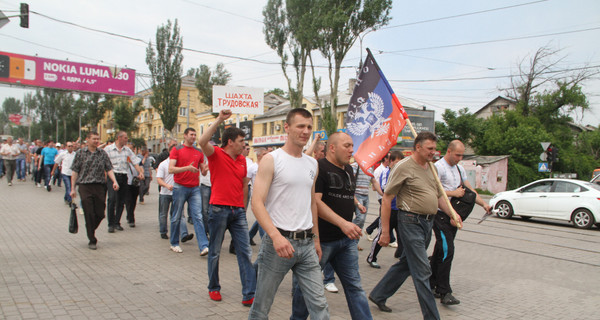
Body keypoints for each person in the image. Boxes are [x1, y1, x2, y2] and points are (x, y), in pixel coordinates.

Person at [368, 131, 462, 319]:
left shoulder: (432, 167)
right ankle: (432, 317)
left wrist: (452, 212)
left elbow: (438, 195)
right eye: (430, 149)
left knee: (407, 264)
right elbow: (387, 198)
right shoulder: (403, 167)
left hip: (428, 223)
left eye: (435, 149)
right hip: (410, 222)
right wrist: (385, 231)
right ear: (417, 147)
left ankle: (379, 294)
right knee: (422, 271)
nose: (433, 153)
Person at [248, 108, 327, 319]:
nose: (305, 131)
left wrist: (316, 239)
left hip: (307, 244)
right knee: (262, 307)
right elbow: (256, 203)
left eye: (309, 127)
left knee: (320, 307)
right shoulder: (272, 159)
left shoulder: (312, 163)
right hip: (278, 245)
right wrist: (275, 237)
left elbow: (312, 203)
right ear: (287, 127)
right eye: (300, 126)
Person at [291, 132, 372, 320]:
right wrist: (343, 223)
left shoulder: (349, 170)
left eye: (352, 146)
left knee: (355, 287)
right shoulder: (319, 168)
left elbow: (345, 194)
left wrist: (356, 204)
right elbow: (315, 202)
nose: (352, 150)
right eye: (347, 146)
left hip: (346, 241)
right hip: (321, 242)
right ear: (332, 148)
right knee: (305, 288)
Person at [198, 109, 256, 306]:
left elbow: (243, 185)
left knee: (245, 252)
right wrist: (220, 120)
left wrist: (244, 206)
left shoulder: (242, 160)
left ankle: (249, 293)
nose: (244, 145)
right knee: (214, 251)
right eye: (241, 141)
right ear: (230, 141)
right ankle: (213, 288)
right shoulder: (216, 154)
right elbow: (202, 141)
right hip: (218, 210)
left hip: (238, 211)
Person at [429, 140, 491, 305]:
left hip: (454, 217)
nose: (460, 158)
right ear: (449, 151)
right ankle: (444, 291)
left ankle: (431, 282)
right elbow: (432, 192)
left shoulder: (459, 168)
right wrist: (454, 193)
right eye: (458, 154)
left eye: (462, 155)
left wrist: (484, 204)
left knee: (441, 250)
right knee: (447, 250)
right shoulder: (438, 167)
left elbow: (470, 190)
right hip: (441, 215)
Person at [70, 132, 119, 250]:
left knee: (100, 213)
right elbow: (75, 171)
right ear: (87, 140)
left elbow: (109, 168)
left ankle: (90, 227)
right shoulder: (80, 153)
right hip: (85, 186)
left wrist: (114, 181)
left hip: (99, 186)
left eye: (98, 139)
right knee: (88, 212)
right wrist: (72, 188)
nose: (96, 141)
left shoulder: (102, 153)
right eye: (94, 139)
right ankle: (92, 239)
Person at [168, 128, 209, 255]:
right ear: (185, 136)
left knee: (198, 216)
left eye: (195, 135)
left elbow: (203, 171)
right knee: (176, 216)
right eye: (191, 134)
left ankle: (204, 246)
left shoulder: (198, 151)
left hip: (194, 188)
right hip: (180, 186)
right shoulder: (177, 149)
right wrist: (187, 168)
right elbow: (171, 169)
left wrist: (206, 169)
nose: (194, 137)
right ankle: (174, 243)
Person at [366, 151, 403, 269]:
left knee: (403, 236)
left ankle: (401, 255)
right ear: (390, 162)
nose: (398, 164)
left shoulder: (403, 173)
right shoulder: (386, 172)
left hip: (400, 210)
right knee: (382, 236)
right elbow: (384, 188)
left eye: (401, 162)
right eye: (396, 162)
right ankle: (371, 257)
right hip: (388, 209)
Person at [104, 131, 144, 232]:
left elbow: (135, 162)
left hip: (123, 176)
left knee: (121, 201)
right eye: (125, 138)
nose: (127, 140)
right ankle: (110, 224)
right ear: (119, 138)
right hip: (112, 176)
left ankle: (117, 222)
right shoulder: (108, 149)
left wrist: (140, 172)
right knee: (112, 199)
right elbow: (104, 164)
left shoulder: (127, 150)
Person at [156, 157, 192, 241]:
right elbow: (159, 179)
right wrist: (166, 185)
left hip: (177, 193)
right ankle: (163, 231)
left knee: (180, 214)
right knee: (163, 213)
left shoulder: (181, 165)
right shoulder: (163, 164)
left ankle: (184, 234)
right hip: (165, 193)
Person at [247, 147, 268, 246]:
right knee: (261, 219)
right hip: (257, 197)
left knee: (261, 218)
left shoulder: (269, 166)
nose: (266, 156)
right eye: (264, 154)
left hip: (268, 197)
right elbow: (245, 183)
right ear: (259, 155)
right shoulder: (252, 167)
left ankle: (249, 236)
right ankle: (265, 242)